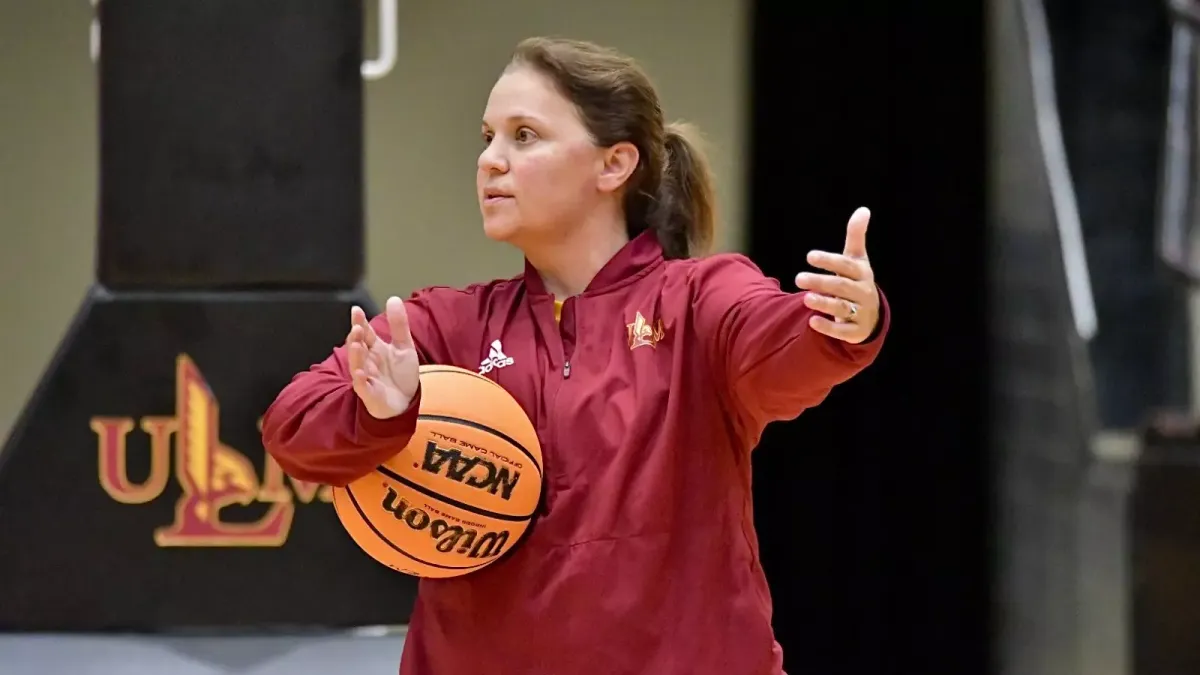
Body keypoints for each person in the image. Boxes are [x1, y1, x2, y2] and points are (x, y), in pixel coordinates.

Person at [261, 36, 889, 675]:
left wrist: (839, 324)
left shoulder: (699, 300)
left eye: (524, 136)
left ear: (614, 165)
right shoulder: (446, 326)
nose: (490, 161)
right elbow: (290, 428)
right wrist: (378, 414)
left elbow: (779, 346)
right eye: (487, 138)